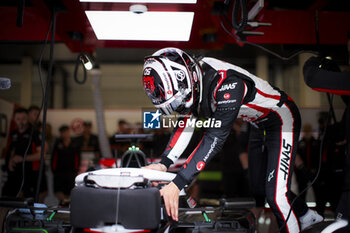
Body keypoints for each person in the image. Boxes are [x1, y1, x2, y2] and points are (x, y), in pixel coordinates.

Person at [142, 48, 322, 232]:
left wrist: (179, 183)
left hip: (282, 119)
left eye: (177, 100)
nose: (178, 105)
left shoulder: (227, 82)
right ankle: (306, 216)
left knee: (276, 197)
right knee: (260, 188)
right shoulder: (197, 78)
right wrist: (164, 164)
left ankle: (300, 222)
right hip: (257, 125)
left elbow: (215, 137)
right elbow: (186, 122)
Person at [2, 108, 47, 201]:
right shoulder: (14, 133)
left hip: (30, 173)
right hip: (14, 172)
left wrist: (23, 158)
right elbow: (12, 149)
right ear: (14, 119)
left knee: (27, 201)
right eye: (18, 119)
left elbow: (42, 154)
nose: (21, 121)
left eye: (23, 119)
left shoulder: (34, 133)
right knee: (5, 198)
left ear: (27, 118)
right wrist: (10, 160)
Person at [51, 125, 80, 205]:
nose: (64, 134)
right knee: (59, 191)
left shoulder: (75, 144)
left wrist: (76, 171)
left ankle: (67, 207)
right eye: (62, 132)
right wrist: (54, 171)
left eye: (66, 132)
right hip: (59, 173)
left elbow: (78, 158)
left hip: (71, 172)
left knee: (69, 191)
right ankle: (62, 205)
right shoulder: (57, 144)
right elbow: (54, 159)